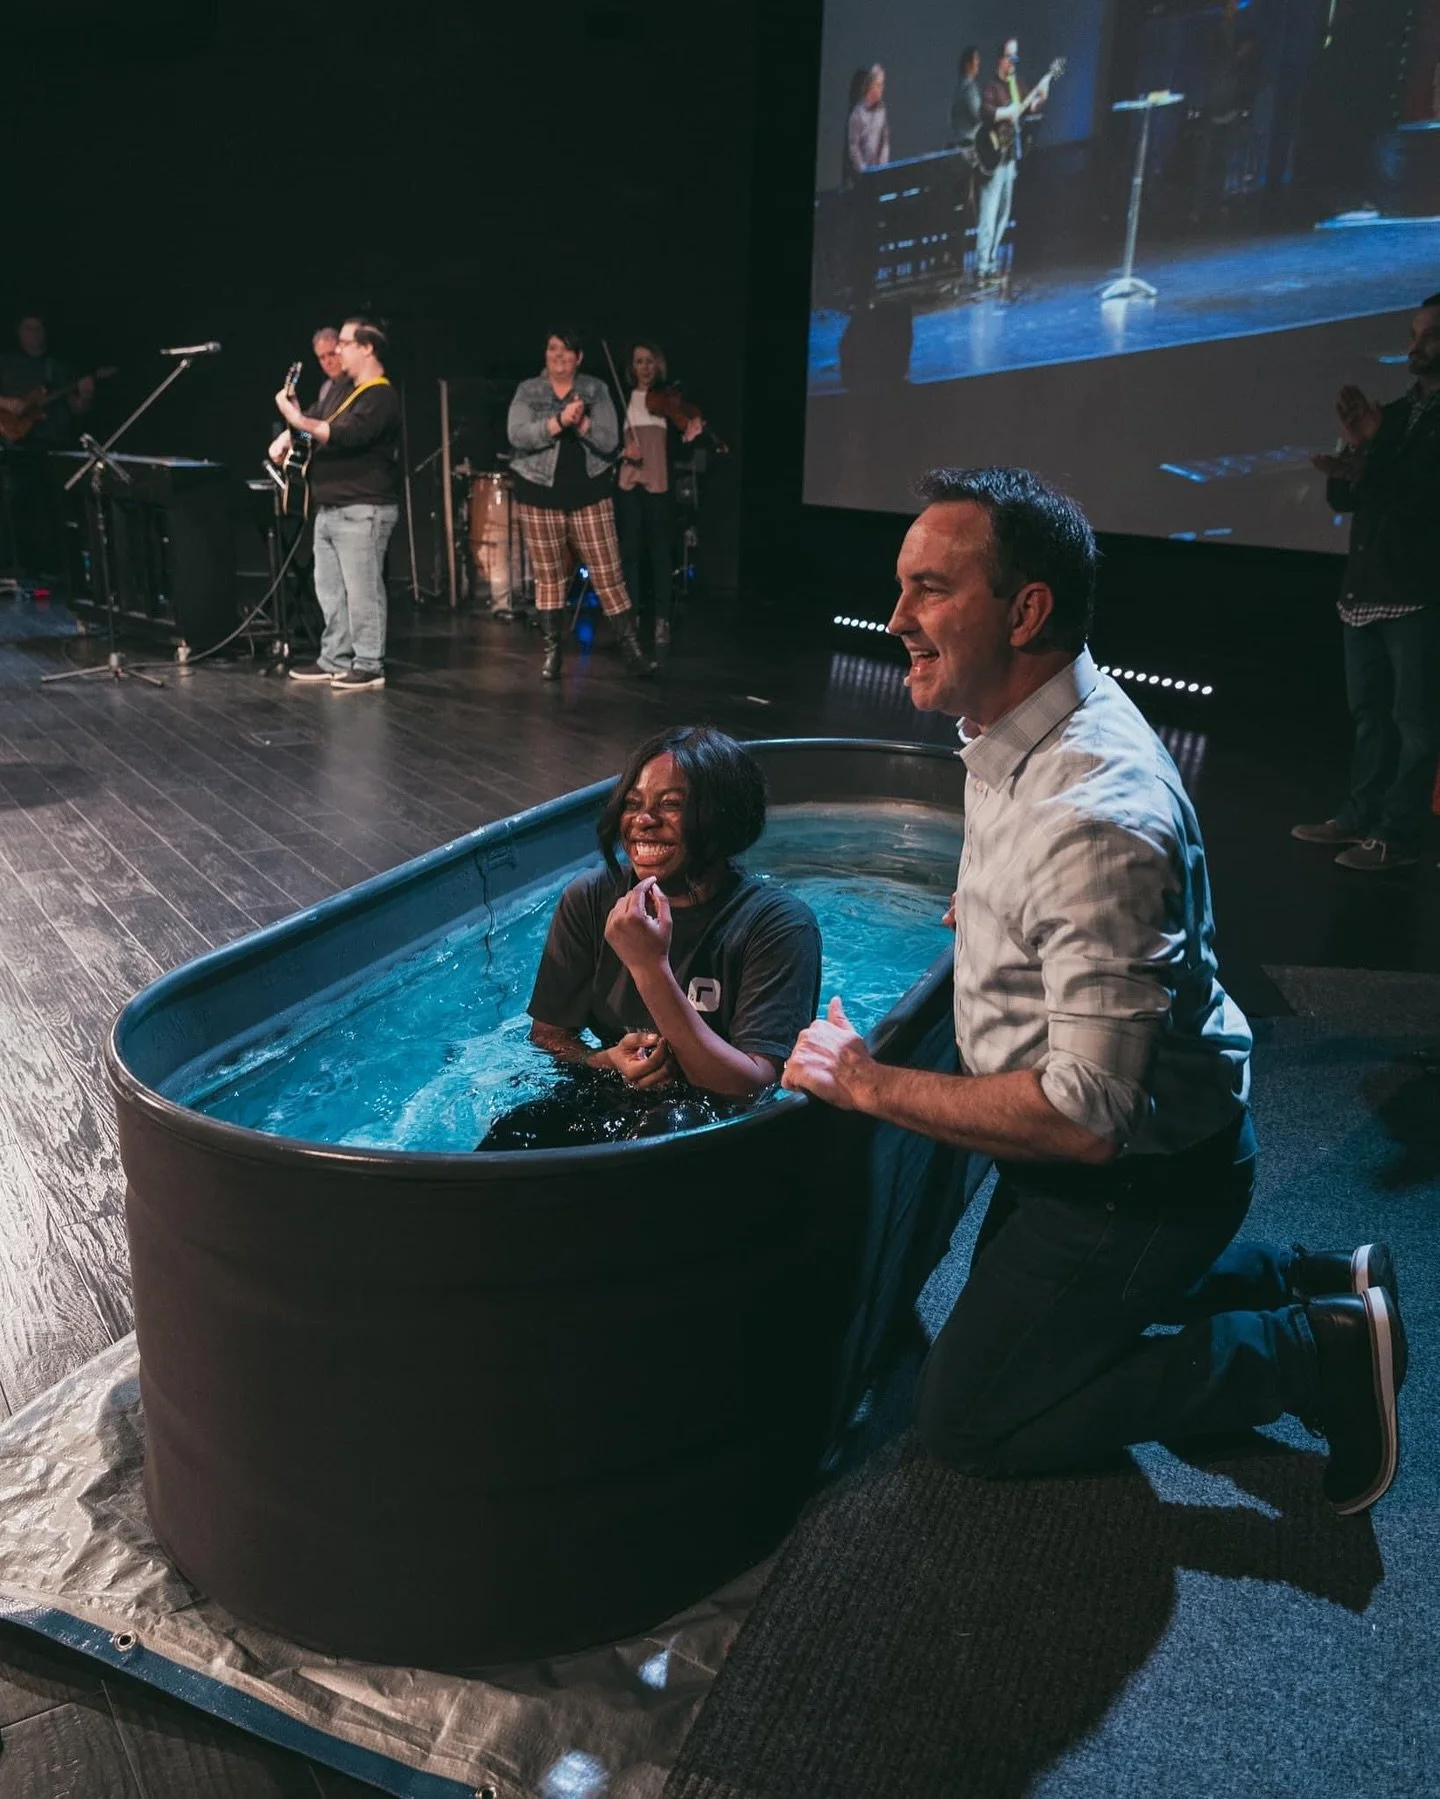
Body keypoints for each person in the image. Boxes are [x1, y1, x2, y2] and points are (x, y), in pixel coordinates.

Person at [784, 464, 1406, 1517]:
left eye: (930, 588)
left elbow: (1083, 1119)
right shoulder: (1019, 717)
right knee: (1035, 1332)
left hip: (1138, 1182)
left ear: (1025, 609)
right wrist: (993, 916)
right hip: (1125, 1159)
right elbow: (1051, 901)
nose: (897, 617)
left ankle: (1311, 1351)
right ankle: (1303, 1276)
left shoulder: (1093, 815)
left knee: (968, 1421)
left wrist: (868, 1084)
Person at [484, 726, 822, 1149]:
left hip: (716, 1126)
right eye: (633, 804)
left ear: (722, 816)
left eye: (672, 805)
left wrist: (649, 967)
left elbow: (750, 1090)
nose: (643, 821)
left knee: (665, 1127)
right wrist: (601, 1060)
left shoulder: (777, 926)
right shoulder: (590, 899)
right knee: (513, 1134)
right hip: (611, 1094)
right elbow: (549, 1035)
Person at [1293, 293, 1440, 871]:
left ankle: (1396, 836)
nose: (1415, 345)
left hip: (1421, 593)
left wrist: (1374, 454)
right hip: (1366, 588)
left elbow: (1423, 499)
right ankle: (1359, 816)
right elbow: (1345, 496)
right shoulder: (1398, 413)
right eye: (1413, 333)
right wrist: (1357, 451)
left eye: (1429, 335)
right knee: (1370, 717)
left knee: (1415, 724)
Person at [507, 329, 655, 682]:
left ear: (579, 357)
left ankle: (631, 648)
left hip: (589, 493)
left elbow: (609, 440)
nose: (558, 356)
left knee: (608, 573)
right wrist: (558, 422)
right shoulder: (529, 390)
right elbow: (517, 434)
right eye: (552, 349)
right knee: (549, 577)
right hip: (539, 493)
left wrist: (583, 422)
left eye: (566, 350)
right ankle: (553, 652)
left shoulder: (595, 389)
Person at [275, 316, 400, 693]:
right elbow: (316, 418)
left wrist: (298, 420)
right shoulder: (341, 390)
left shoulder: (380, 395)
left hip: (363, 507)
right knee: (330, 588)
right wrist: (290, 432)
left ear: (367, 348)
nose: (338, 350)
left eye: (344, 343)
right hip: (330, 507)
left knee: (362, 590)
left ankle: (368, 663)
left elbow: (344, 434)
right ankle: (335, 658)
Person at [616, 340, 705, 649]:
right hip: (629, 484)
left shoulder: (668, 402)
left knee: (660, 554)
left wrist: (689, 436)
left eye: (650, 361)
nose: (645, 367)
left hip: (658, 484)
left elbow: (678, 448)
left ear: (658, 365)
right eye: (639, 361)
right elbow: (609, 444)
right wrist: (622, 450)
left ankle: (662, 621)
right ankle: (631, 619)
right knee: (629, 554)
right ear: (632, 367)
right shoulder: (621, 400)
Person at [0, 314, 94, 577]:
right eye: (30, 328)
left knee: (58, 510)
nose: (36, 333)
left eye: (40, 328)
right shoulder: (6, 363)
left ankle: (61, 570)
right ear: (19, 332)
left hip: (55, 443)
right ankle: (23, 566)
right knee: (23, 507)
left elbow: (77, 409)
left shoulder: (59, 367)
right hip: (18, 445)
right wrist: (8, 403)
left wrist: (85, 394)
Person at [975, 40, 1056, 286]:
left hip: (1010, 156)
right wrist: (1006, 112)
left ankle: (991, 261)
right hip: (993, 155)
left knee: (1003, 212)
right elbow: (987, 112)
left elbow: (1028, 109)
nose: (1013, 63)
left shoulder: (1018, 85)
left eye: (1016, 58)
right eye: (1009, 58)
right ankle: (982, 266)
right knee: (988, 213)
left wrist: (1040, 96)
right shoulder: (992, 87)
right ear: (1000, 59)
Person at [845, 64, 891, 186]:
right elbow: (853, 147)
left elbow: (885, 140)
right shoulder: (857, 114)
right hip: (859, 176)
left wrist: (883, 167)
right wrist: (864, 171)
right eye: (878, 85)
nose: (882, 89)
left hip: (878, 173)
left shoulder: (882, 111)